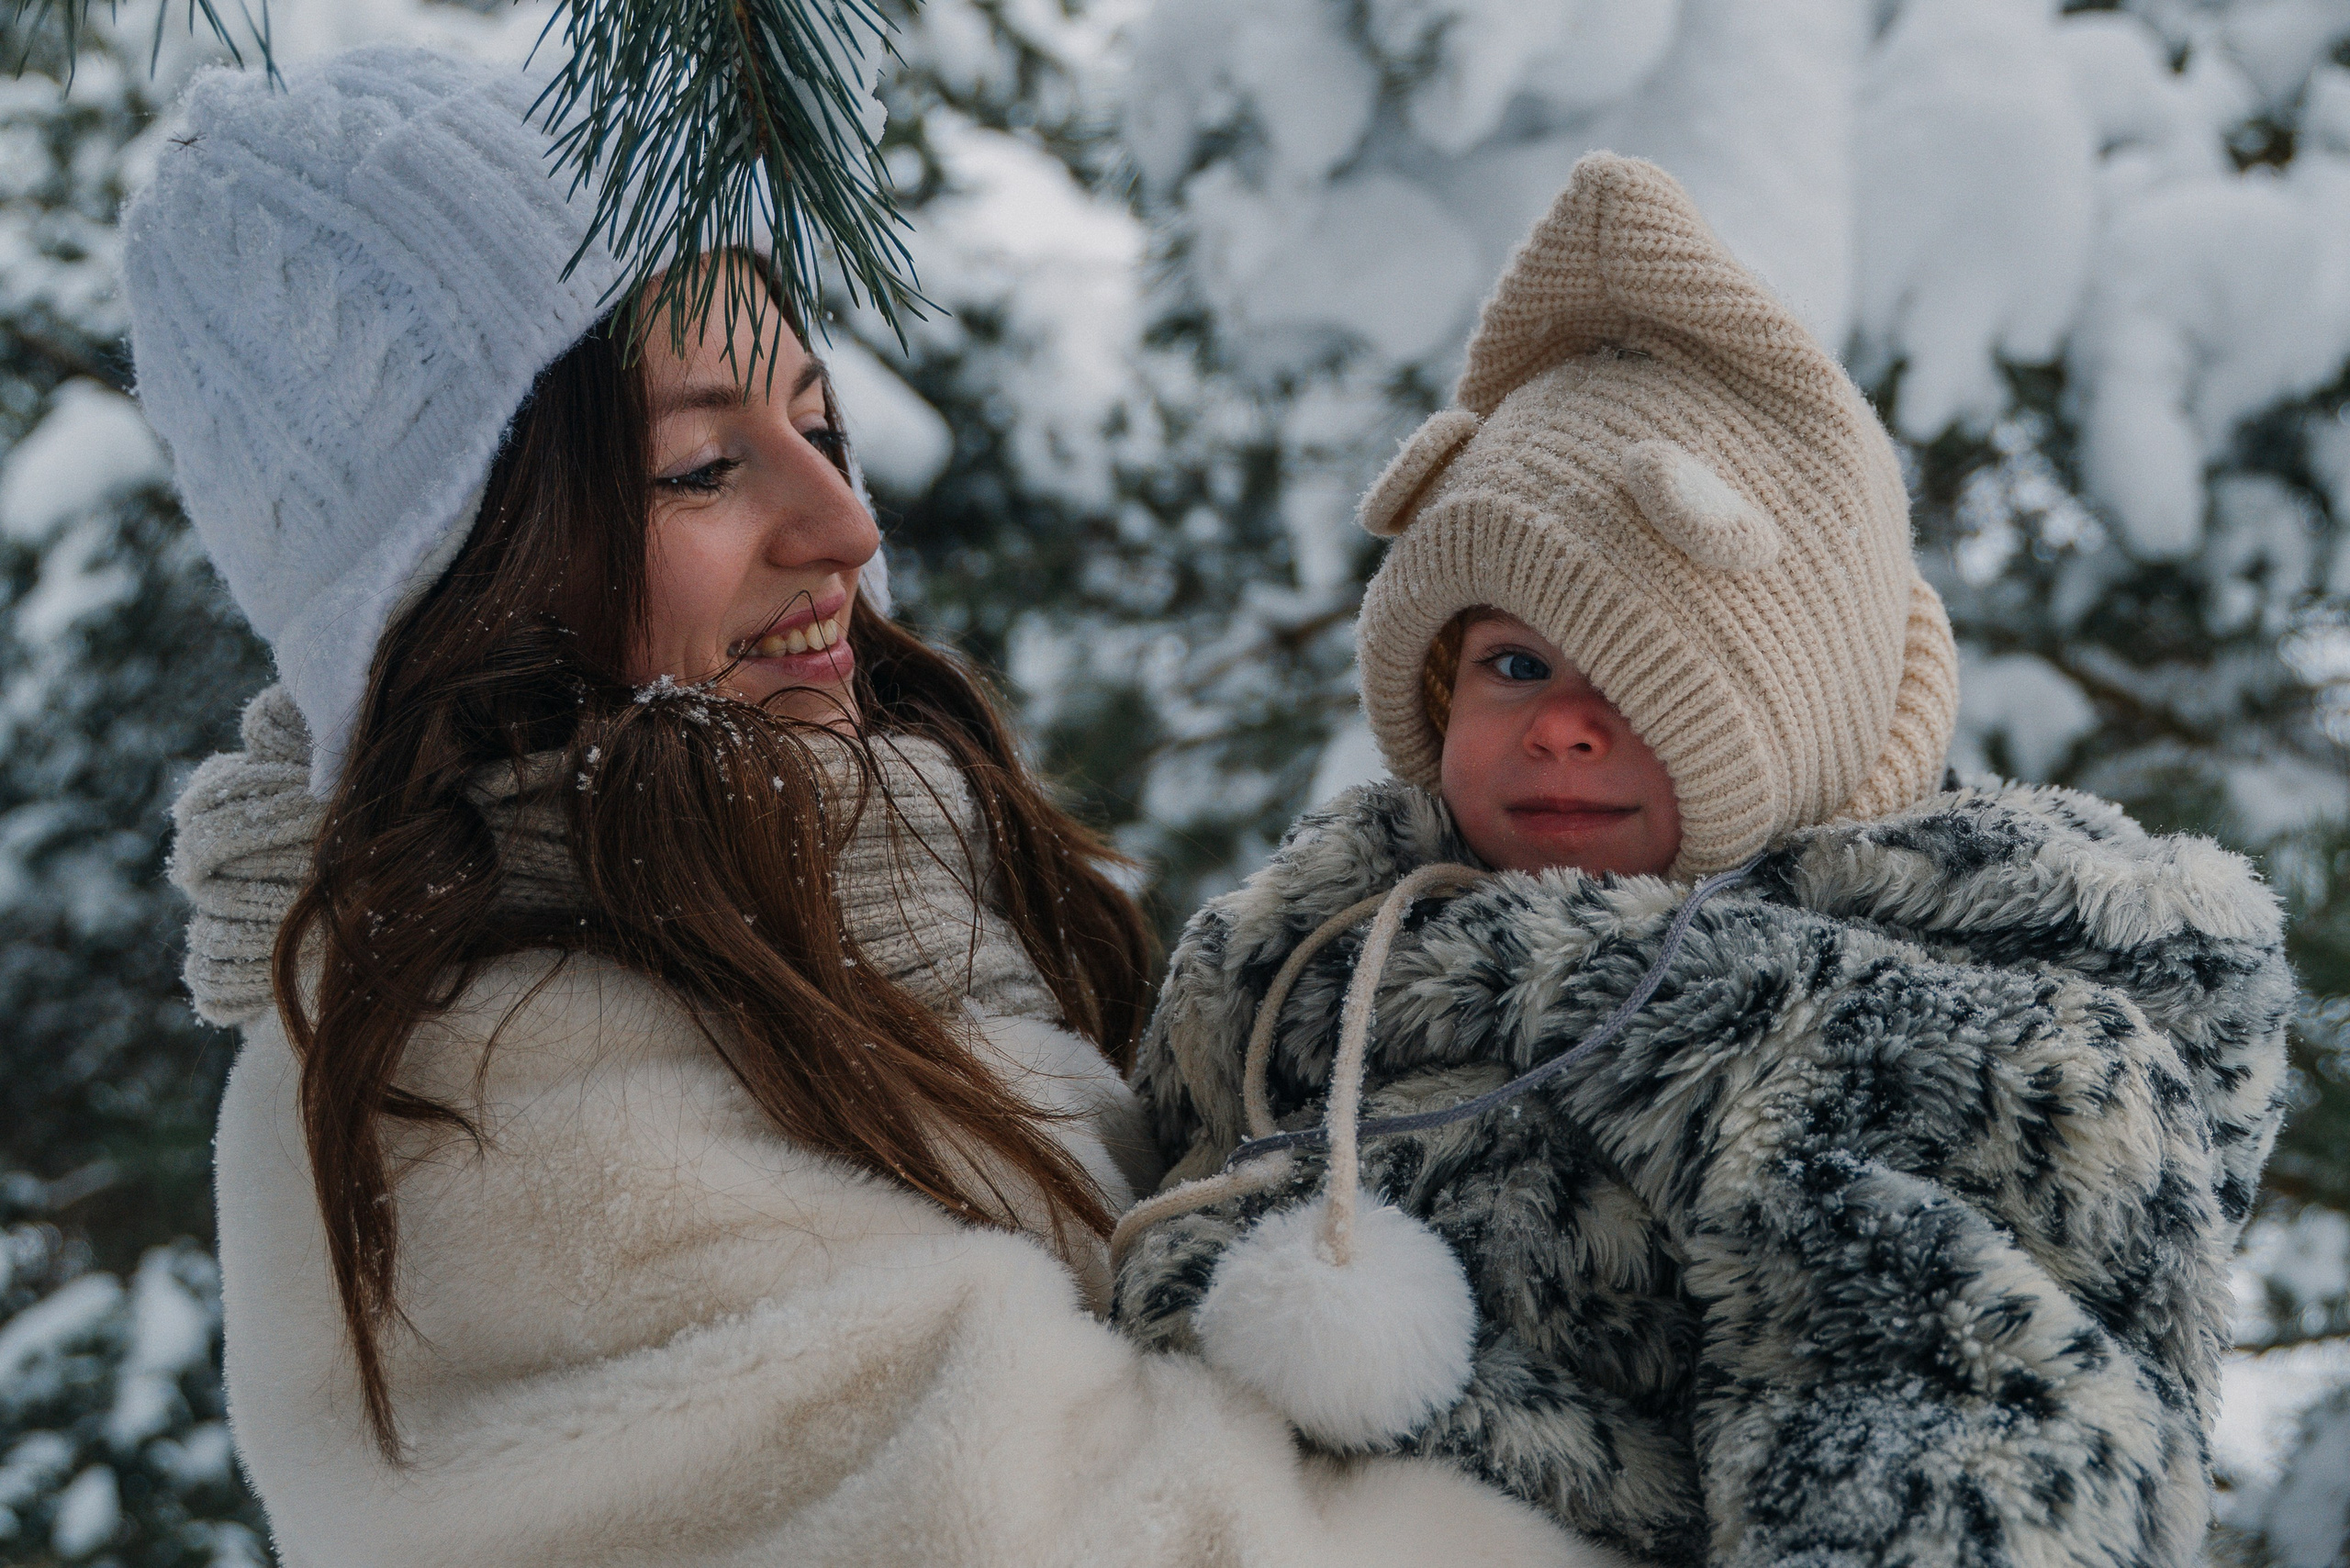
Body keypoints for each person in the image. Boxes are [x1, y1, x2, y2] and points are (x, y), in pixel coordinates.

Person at [130, 47, 1600, 1568]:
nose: (842, 524)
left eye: (817, 430)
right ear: (464, 571)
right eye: (704, 467)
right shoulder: (502, 1086)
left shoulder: (846, 921)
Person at [1112, 153, 2294, 1568]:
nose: (1558, 727)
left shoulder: (1889, 1042)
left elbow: (1955, 1437)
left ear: (1793, 728)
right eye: (1511, 662)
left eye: (1642, 683)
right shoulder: (1306, 959)